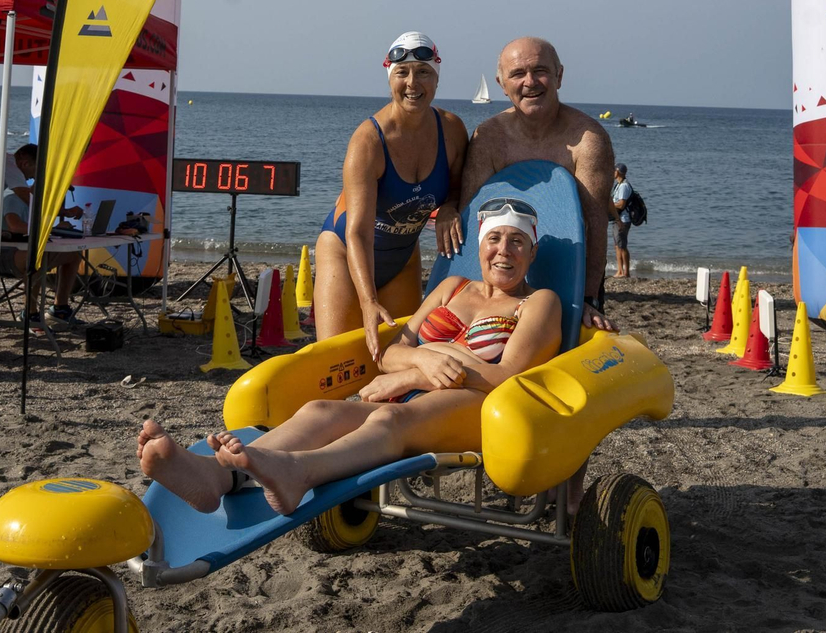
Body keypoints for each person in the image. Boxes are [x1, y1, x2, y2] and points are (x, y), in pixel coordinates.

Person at [137, 198, 560, 515]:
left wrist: (417, 373)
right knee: (321, 409)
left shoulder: (538, 302)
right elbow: (392, 354)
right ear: (481, 246)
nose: (504, 250)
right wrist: (422, 361)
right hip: (414, 395)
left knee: (388, 419)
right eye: (495, 239)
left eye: (517, 241)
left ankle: (298, 471)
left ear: (532, 252)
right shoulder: (453, 288)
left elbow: (505, 375)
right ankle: (215, 476)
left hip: (477, 410)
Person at [315, 31, 467, 360]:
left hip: (401, 260)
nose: (413, 83)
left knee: (400, 360)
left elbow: (457, 185)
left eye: (424, 72)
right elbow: (358, 231)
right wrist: (367, 302)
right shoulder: (368, 142)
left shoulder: (452, 130)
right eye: (402, 72)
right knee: (336, 363)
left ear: (437, 79)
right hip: (346, 254)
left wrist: (451, 208)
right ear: (389, 78)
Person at [460, 37, 617, 332]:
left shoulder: (588, 139)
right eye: (517, 74)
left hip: (570, 272)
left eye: (540, 71)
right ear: (502, 83)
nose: (530, 82)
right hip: (501, 274)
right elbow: (472, 222)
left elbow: (596, 226)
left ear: (559, 76)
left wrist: (587, 298)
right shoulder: (489, 138)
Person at [0, 144, 85, 332]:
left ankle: (60, 308)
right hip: (3, 252)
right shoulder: (11, 195)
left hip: (22, 250)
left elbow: (40, 215)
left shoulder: (29, 197)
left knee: (73, 255)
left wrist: (62, 216)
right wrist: (52, 229)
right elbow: (15, 226)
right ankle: (30, 312)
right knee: (35, 257)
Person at [609, 162, 633, 278]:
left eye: (614, 171)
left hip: (623, 219)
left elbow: (622, 204)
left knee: (622, 246)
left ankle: (626, 272)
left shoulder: (624, 186)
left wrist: (610, 206)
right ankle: (619, 270)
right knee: (617, 246)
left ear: (617, 172)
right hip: (616, 218)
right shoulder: (618, 185)